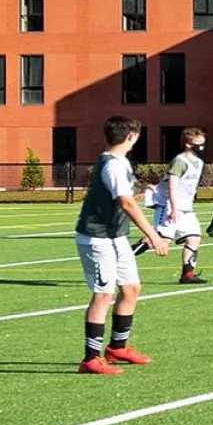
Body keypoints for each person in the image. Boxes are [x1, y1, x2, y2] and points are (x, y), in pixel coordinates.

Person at [73, 116, 170, 374]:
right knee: (104, 294)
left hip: (116, 237)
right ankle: (90, 358)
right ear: (131, 137)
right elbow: (126, 202)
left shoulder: (120, 163)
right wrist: (153, 234)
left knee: (131, 289)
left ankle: (117, 347)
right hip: (97, 238)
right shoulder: (113, 165)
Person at [152, 126, 210, 284]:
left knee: (194, 238)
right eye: (198, 143)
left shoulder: (198, 162)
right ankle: (119, 261)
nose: (202, 146)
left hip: (186, 208)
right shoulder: (180, 161)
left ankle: (187, 274)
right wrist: (173, 208)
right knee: (161, 241)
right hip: (170, 206)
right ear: (188, 144)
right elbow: (172, 185)